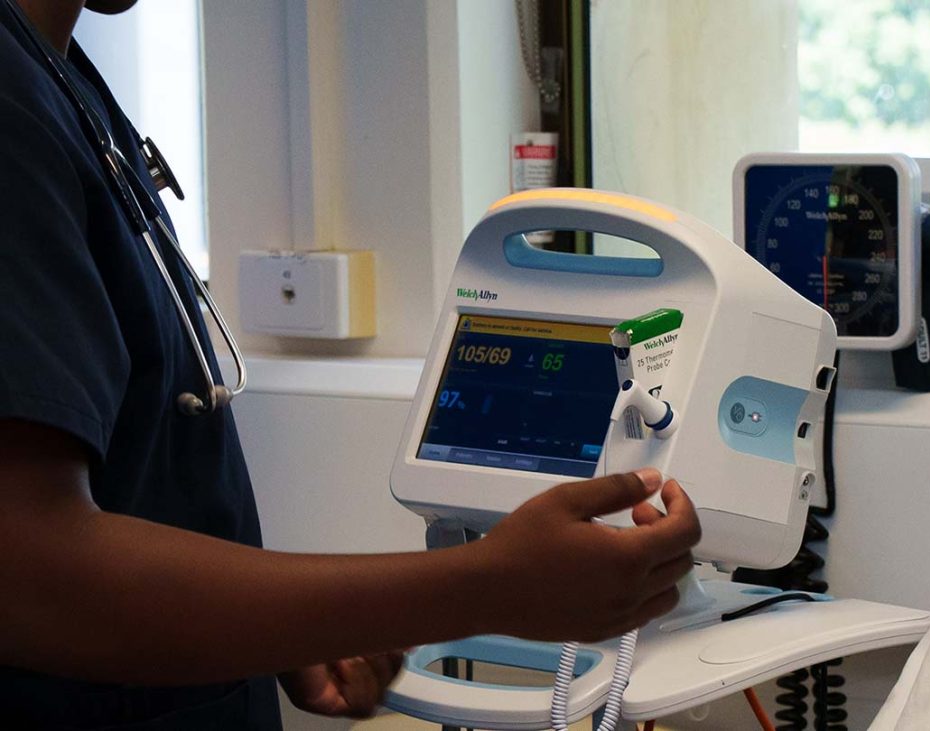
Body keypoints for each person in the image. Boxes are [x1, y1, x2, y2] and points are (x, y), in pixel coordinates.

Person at [0, 1, 702, 729]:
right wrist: (488, 588)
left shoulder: (62, 76)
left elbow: (135, 481)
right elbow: (31, 572)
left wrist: (285, 630)